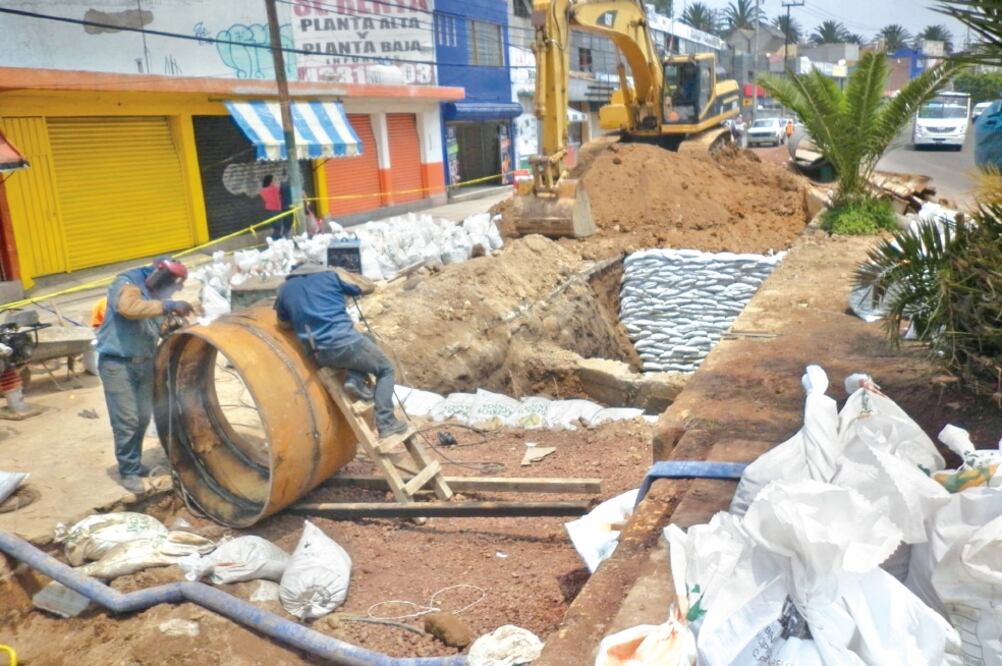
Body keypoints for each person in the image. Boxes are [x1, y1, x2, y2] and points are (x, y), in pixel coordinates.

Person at [274, 261, 408, 438]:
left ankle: (355, 378)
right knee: (386, 369)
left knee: (368, 338)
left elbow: (283, 323)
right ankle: (387, 422)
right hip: (346, 343)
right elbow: (356, 290)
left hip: (319, 354)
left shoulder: (285, 290)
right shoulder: (329, 277)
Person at [95, 258, 193, 493]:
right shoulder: (128, 284)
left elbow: (156, 327)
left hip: (145, 363)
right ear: (160, 276)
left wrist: (174, 325)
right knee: (127, 420)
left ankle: (134, 462)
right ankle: (128, 471)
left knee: (142, 417)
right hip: (118, 365)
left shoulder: (157, 296)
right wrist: (168, 305)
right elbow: (129, 309)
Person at [260, 174, 291, 240]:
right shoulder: (275, 189)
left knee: (277, 228)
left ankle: (276, 241)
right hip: (275, 210)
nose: (276, 181)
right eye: (274, 179)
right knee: (279, 227)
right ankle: (273, 240)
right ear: (271, 181)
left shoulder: (263, 190)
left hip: (269, 210)